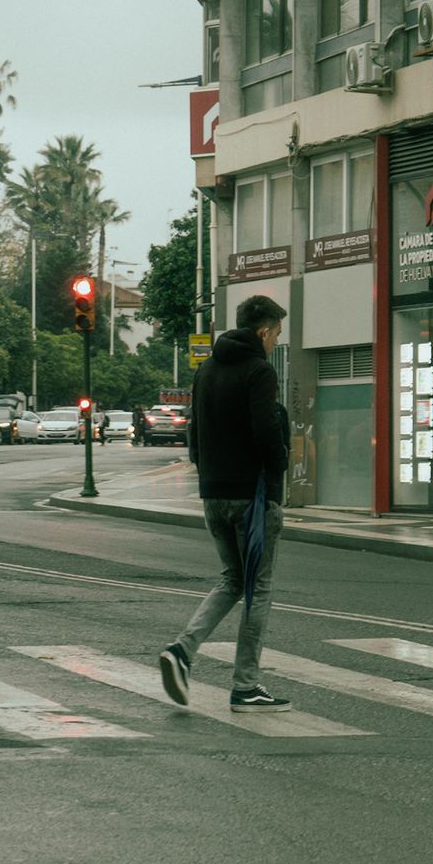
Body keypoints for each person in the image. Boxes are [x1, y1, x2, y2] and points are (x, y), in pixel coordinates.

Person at [159, 295, 291, 713]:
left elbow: (194, 436)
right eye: (276, 335)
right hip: (251, 497)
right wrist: (280, 465)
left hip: (213, 494)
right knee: (258, 590)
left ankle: (182, 651)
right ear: (264, 331)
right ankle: (245, 685)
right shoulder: (259, 371)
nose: (275, 343)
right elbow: (265, 429)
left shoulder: (206, 370)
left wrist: (208, 473)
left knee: (233, 579)